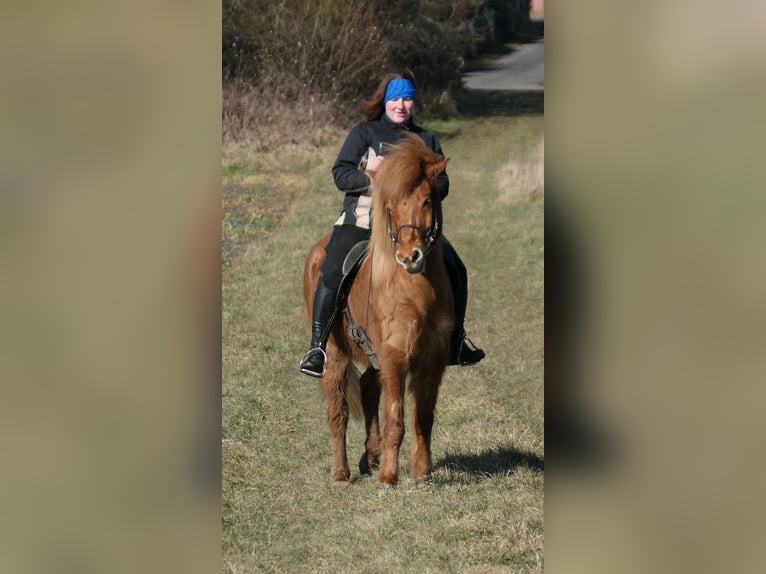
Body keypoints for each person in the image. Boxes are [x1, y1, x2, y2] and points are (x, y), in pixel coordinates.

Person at [299, 69, 485, 378]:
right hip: (362, 220)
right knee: (331, 269)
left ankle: (457, 341)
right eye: (395, 99)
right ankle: (317, 346)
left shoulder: (426, 139)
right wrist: (369, 171)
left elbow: (444, 184)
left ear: (414, 104)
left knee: (457, 268)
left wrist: (422, 188)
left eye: (408, 100)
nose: (401, 105)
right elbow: (340, 174)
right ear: (384, 101)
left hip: (411, 227)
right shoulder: (364, 133)